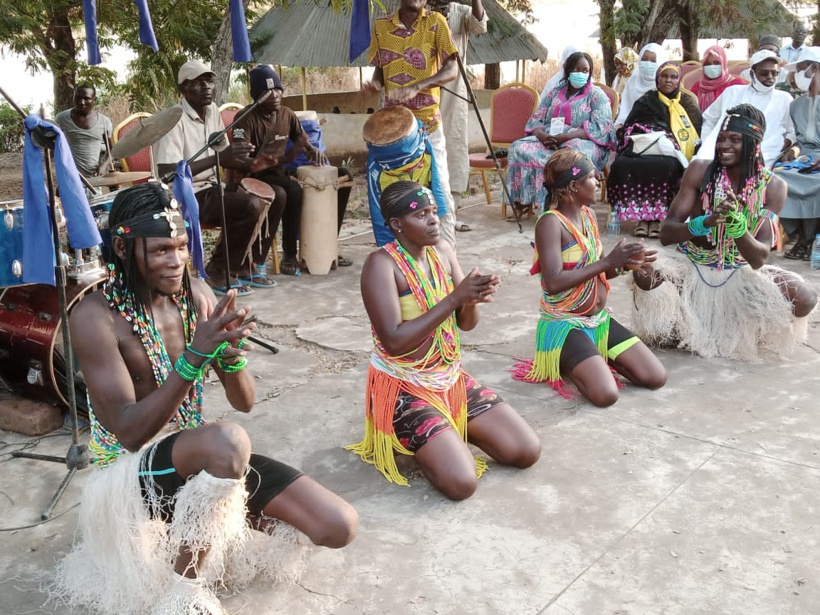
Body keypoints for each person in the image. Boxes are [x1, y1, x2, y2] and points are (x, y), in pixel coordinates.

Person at [53, 183, 358, 615]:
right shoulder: (93, 316)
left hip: (197, 457)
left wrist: (230, 354)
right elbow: (128, 432)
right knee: (228, 444)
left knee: (336, 526)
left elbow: (245, 401)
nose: (176, 261)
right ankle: (184, 592)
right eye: (160, 250)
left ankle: (208, 522)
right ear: (122, 247)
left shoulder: (197, 295)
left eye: (181, 247)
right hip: (125, 472)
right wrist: (197, 354)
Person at [347, 180, 541, 499]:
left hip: (448, 378)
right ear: (397, 224)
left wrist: (470, 300)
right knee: (462, 483)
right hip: (403, 385)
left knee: (525, 450)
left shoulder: (444, 251)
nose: (433, 219)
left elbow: (465, 325)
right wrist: (454, 298)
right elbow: (394, 341)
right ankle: (430, 437)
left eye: (434, 211)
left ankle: (445, 426)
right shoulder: (380, 265)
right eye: (421, 214)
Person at [630, 104, 817, 360]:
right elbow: (667, 233)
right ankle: (675, 327)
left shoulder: (773, 187)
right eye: (721, 139)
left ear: (754, 144)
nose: (724, 145)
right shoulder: (699, 170)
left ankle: (743, 328)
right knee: (645, 269)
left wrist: (737, 227)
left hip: (739, 273)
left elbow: (759, 257)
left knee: (804, 296)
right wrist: (705, 223)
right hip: (691, 265)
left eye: (735, 140)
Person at [512, 149, 666, 406]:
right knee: (605, 395)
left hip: (598, 321)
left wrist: (628, 265)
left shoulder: (589, 216)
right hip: (564, 324)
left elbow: (602, 271)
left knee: (655, 376)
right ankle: (566, 356)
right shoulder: (550, 223)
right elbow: (553, 282)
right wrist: (609, 261)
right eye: (592, 178)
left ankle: (590, 355)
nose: (598, 183)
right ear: (574, 185)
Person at [156, 60, 281, 296]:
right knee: (248, 205)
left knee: (277, 196)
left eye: (210, 80)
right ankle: (218, 271)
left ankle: (245, 266)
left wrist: (251, 163)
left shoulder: (213, 111)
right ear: (183, 88)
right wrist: (219, 160)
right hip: (186, 195)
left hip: (213, 188)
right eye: (198, 82)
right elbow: (166, 172)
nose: (207, 87)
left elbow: (223, 154)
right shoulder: (173, 120)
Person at [226, 65, 352, 275]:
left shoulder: (286, 114)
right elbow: (240, 158)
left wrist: (313, 152)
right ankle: (290, 253)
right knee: (293, 191)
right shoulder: (244, 118)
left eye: (278, 89)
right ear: (257, 96)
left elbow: (302, 140)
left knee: (344, 176)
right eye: (268, 91)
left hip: (279, 172)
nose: (275, 95)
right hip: (256, 174)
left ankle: (329, 243)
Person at [363, 0, 460, 247]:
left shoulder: (436, 22)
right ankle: (400, 261)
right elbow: (380, 71)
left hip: (427, 126)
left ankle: (445, 261)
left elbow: (451, 69)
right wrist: (376, 84)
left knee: (440, 198)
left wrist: (419, 86)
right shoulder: (381, 26)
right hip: (394, 133)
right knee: (396, 200)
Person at [506, 51, 616, 212]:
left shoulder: (597, 95)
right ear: (568, 71)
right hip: (549, 137)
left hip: (581, 139)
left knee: (573, 154)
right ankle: (524, 200)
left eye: (585, 71)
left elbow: (602, 127)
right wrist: (543, 136)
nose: (580, 74)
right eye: (576, 70)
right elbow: (536, 119)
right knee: (518, 147)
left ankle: (565, 203)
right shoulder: (555, 92)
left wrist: (566, 136)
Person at [608, 62, 702, 238]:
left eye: (673, 77)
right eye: (664, 76)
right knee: (623, 163)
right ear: (657, 79)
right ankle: (642, 219)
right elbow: (630, 125)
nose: (668, 80)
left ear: (678, 80)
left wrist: (669, 139)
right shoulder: (646, 100)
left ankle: (658, 219)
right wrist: (647, 131)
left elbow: (696, 132)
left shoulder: (687, 102)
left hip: (671, 152)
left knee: (669, 165)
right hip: (643, 147)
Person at [430, 0, 487, 233]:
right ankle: (426, 213)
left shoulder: (461, 11)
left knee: (453, 146)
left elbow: (480, 25)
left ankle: (451, 213)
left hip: (454, 88)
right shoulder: (418, 9)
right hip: (425, 85)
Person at [697, 50, 795, 168]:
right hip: (725, 149)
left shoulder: (784, 98)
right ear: (752, 74)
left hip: (765, 152)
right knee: (699, 166)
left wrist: (785, 144)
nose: (770, 77)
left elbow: (793, 132)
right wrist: (709, 142)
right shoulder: (732, 92)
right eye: (764, 73)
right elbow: (709, 118)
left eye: (774, 73)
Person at [776, 47, 820, 261]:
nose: (799, 74)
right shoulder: (796, 105)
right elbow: (795, 138)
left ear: (816, 69)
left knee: (815, 181)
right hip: (805, 158)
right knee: (778, 175)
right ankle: (799, 236)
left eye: (803, 68)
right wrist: (792, 151)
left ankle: (806, 240)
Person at [55, 84, 113, 178]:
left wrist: (104, 165)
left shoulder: (104, 122)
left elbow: (111, 151)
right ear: (73, 97)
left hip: (94, 180)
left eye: (86, 98)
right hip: (69, 178)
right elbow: (52, 145)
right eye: (78, 98)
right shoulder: (61, 119)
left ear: (94, 99)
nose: (82, 102)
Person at [614, 43, 668, 126]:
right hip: (630, 126)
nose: (647, 64)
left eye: (653, 60)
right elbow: (625, 111)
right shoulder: (633, 79)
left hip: (658, 129)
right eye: (644, 59)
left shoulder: (667, 85)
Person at [689, 45, 747, 111]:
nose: (712, 66)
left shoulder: (737, 85)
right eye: (707, 64)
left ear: (724, 63)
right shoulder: (698, 87)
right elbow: (691, 110)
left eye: (716, 63)